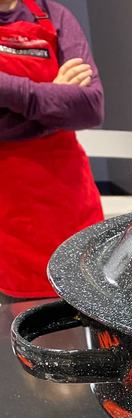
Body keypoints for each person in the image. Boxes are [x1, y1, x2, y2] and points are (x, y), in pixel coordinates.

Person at [0, 0, 104, 300]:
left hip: (71, 206)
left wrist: (14, 96)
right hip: (9, 225)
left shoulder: (53, 15)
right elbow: (69, 105)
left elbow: (92, 107)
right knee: (22, 333)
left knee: (91, 324)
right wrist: (54, 96)